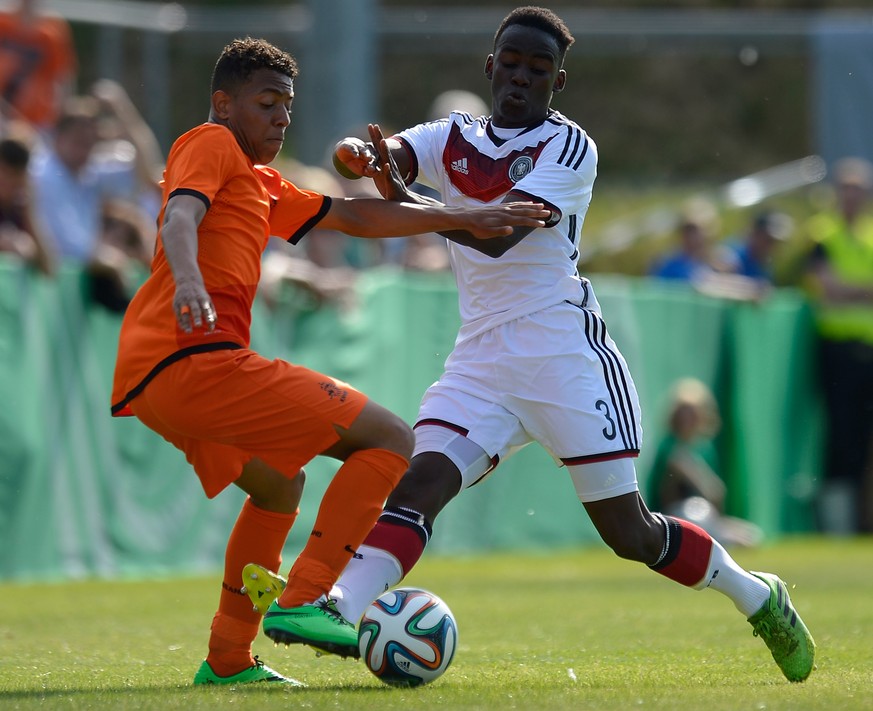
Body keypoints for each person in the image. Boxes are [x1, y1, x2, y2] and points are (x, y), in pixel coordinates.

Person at [308, 6, 814, 683]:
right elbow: (390, 156)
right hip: (481, 357)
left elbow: (496, 233)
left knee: (628, 533)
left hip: (562, 357)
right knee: (421, 478)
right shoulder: (450, 135)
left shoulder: (568, 146)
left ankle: (757, 594)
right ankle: (340, 606)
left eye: (537, 70)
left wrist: (413, 200)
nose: (520, 78)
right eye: (510, 64)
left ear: (558, 80)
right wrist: (366, 156)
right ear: (490, 67)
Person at [108, 37, 547, 687]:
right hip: (191, 358)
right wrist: (192, 280)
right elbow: (177, 216)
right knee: (393, 439)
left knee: (278, 487)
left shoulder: (257, 180)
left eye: (287, 105)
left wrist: (462, 217)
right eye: (266, 103)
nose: (281, 117)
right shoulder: (212, 142)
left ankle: (228, 657)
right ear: (222, 104)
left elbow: (354, 217)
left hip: (160, 377)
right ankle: (306, 596)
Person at [804, 156, 873, 534]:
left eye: (857, 191)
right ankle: (838, 525)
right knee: (840, 434)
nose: (852, 198)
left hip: (868, 350)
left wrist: (852, 292)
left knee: (863, 440)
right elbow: (828, 290)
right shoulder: (822, 234)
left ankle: (861, 521)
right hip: (837, 349)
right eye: (846, 190)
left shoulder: (869, 235)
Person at [647, 378, 763, 548]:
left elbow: (716, 494)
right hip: (673, 516)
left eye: (691, 413)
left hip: (704, 513)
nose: (687, 419)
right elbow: (674, 489)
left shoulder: (703, 448)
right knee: (705, 522)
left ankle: (716, 537)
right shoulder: (669, 446)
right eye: (683, 413)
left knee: (751, 534)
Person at [0, 0, 77, 131]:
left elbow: (63, 78)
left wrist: (61, 118)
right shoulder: (3, 22)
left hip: (35, 123)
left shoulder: (52, 29)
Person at [0, 124, 55, 274]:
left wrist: (30, 212)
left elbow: (49, 268)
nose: (7, 180)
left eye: (15, 174)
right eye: (4, 171)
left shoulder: (19, 210)